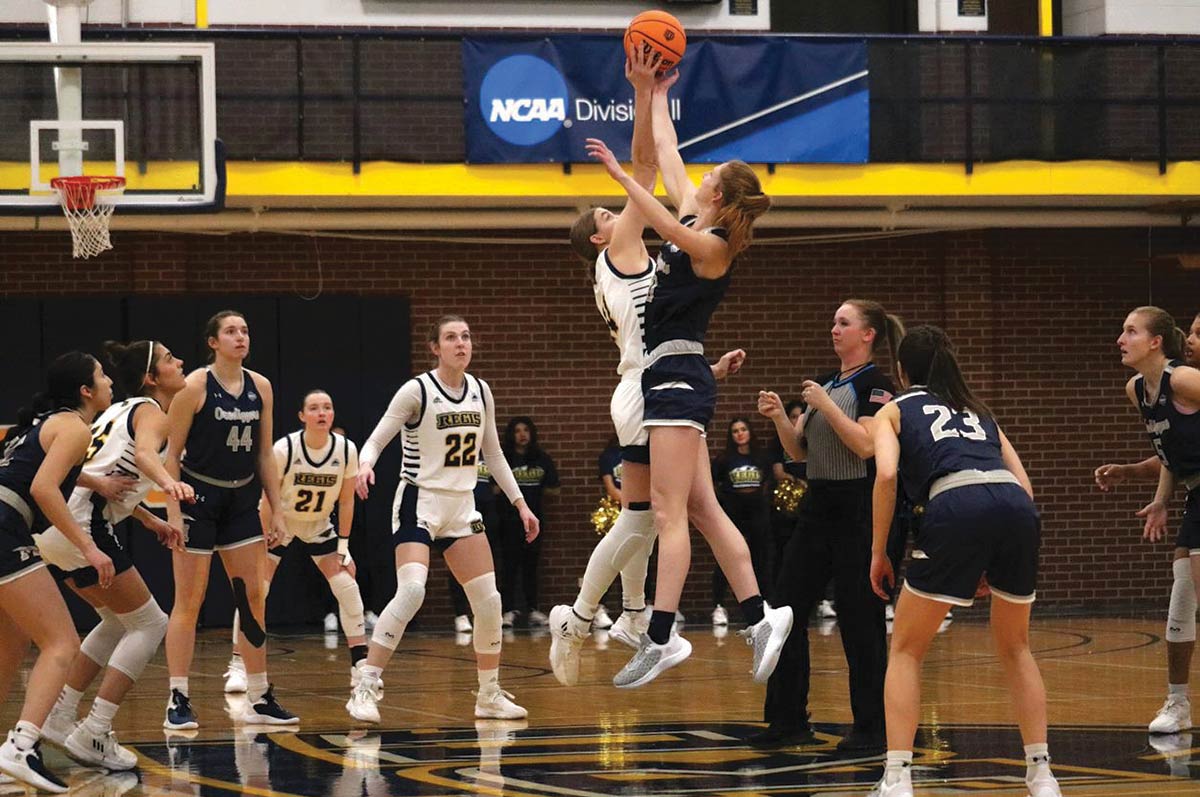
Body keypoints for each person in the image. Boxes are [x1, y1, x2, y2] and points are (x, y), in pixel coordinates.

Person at [585, 60, 788, 690]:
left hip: (674, 373)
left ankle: (660, 635)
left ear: (720, 197)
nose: (696, 178)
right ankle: (761, 617)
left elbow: (666, 226)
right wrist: (653, 94)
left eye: (708, 178)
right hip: (671, 373)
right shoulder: (702, 221)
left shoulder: (714, 243)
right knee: (702, 508)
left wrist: (622, 178)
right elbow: (669, 148)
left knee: (669, 514)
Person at [866, 325, 1061, 797]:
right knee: (1017, 648)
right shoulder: (980, 410)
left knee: (907, 649)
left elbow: (888, 472)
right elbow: (1027, 488)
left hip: (955, 505)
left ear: (901, 371)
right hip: (1015, 509)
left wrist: (878, 552)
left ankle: (896, 778)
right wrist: (988, 556)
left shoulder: (893, 409)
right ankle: (1041, 774)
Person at [347, 315, 540, 723]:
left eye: (466, 336)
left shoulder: (481, 391)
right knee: (413, 591)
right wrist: (365, 465)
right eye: (451, 337)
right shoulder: (416, 390)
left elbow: (495, 455)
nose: (460, 343)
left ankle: (488, 695)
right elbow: (379, 437)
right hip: (420, 499)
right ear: (435, 347)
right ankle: (365, 682)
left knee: (489, 602)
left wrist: (521, 503)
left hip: (462, 504)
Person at [756, 299, 904, 752]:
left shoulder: (877, 387)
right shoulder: (824, 383)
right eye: (834, 322)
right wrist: (782, 416)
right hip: (818, 507)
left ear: (868, 334)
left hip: (859, 509)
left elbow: (864, 445)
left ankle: (873, 728)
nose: (834, 329)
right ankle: (787, 720)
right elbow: (800, 453)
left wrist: (823, 404)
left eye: (844, 322)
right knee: (783, 612)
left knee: (860, 621)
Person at [36, 341, 192, 771]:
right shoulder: (153, 413)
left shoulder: (118, 410)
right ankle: (95, 729)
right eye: (168, 360)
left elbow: (109, 474)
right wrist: (170, 484)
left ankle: (60, 715)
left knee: (114, 620)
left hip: (54, 525)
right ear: (150, 378)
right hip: (82, 523)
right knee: (151, 622)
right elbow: (143, 457)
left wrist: (147, 519)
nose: (179, 362)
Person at [163, 310, 298, 729]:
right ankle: (178, 697)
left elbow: (264, 453)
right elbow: (170, 455)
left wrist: (276, 509)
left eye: (245, 330)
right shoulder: (194, 387)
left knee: (253, 596)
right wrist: (171, 512)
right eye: (231, 331)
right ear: (212, 342)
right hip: (197, 496)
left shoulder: (262, 387)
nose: (241, 337)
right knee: (190, 600)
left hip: (241, 498)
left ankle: (259, 694)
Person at [0, 352, 113, 793]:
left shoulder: (40, 424)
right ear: (85, 391)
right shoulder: (75, 426)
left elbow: (38, 471)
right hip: (7, 529)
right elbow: (42, 486)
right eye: (102, 376)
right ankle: (22, 745)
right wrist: (90, 548)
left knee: (12, 641)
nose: (108, 382)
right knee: (62, 643)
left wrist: (97, 483)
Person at [222, 389, 366, 693]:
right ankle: (237, 665)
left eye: (327, 407)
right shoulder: (285, 448)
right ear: (302, 416)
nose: (322, 413)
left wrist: (343, 547)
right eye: (314, 408)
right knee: (256, 590)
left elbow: (347, 502)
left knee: (347, 587)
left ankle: (361, 666)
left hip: (318, 525)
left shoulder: (346, 449)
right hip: (281, 522)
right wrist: (263, 538)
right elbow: (265, 496)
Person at [1098, 307, 1200, 735]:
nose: (1121, 338)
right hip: (1195, 492)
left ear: (1155, 341)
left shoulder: (1183, 378)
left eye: (1130, 330)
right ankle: (1177, 702)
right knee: (1182, 593)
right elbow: (1169, 455)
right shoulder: (1138, 389)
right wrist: (1156, 495)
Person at [710, 417, 772, 625]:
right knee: (727, 558)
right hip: (733, 512)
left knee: (760, 557)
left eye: (743, 429)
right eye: (735, 431)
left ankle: (763, 603)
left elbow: (767, 482)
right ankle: (719, 606)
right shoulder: (724, 459)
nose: (739, 434)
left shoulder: (761, 458)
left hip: (757, 512)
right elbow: (712, 484)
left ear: (750, 432)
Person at [498, 416, 559, 627]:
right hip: (507, 521)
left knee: (531, 567)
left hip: (535, 520)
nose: (522, 435)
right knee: (508, 566)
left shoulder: (541, 459)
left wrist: (535, 490)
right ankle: (507, 610)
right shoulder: (504, 459)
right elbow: (494, 488)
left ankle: (533, 609)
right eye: (517, 431)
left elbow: (555, 488)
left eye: (525, 430)